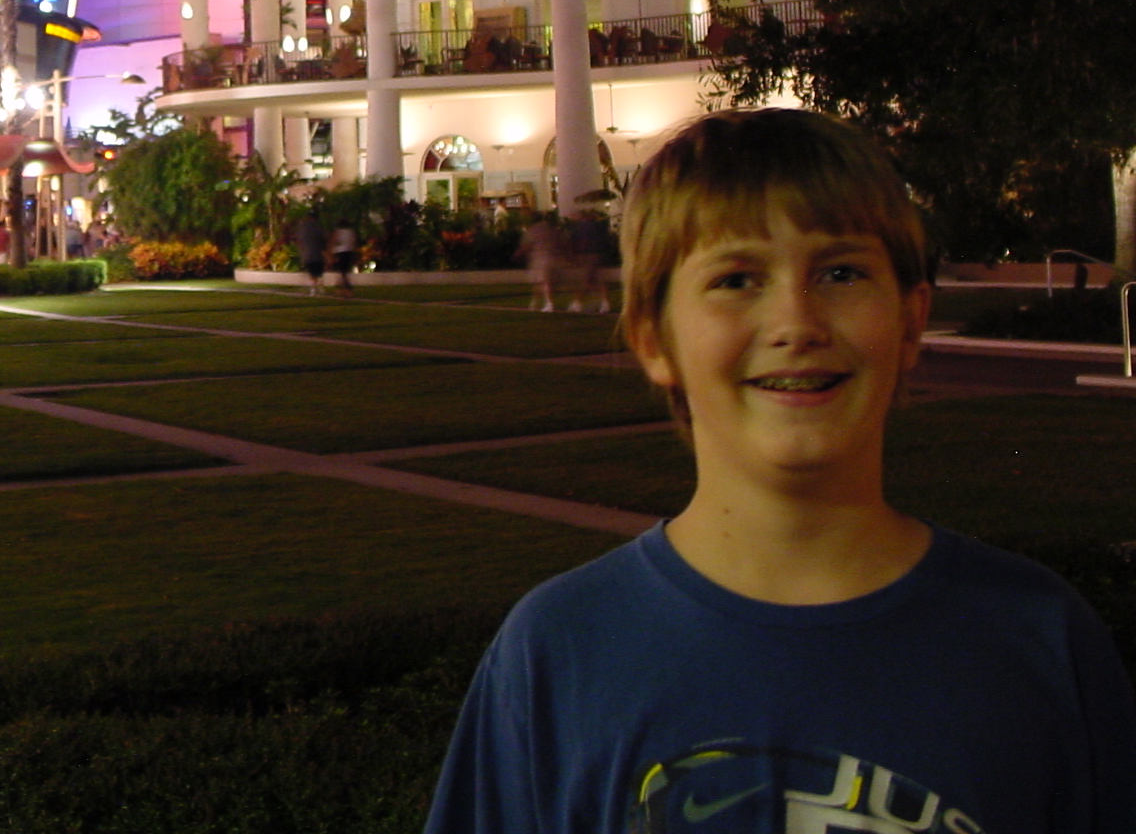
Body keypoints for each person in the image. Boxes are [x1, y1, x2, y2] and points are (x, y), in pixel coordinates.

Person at [424, 109, 1136, 833]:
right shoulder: (560, 652)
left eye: (841, 273)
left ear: (911, 320)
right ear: (653, 337)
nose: (796, 323)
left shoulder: (1036, 641)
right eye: (737, 279)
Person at [566, 204, 610, 312]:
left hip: (586, 255)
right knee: (597, 280)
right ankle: (603, 302)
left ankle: (578, 303)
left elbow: (575, 242)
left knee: (585, 279)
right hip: (597, 254)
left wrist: (573, 256)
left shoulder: (580, 228)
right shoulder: (598, 227)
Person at [514, 214, 562, 311]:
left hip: (539, 258)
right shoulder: (552, 229)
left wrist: (517, 255)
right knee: (543, 281)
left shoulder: (533, 231)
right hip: (553, 257)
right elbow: (561, 243)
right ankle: (535, 302)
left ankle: (548, 303)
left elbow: (526, 245)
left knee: (542, 281)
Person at [292, 209, 327, 292]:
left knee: (312, 271)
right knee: (318, 271)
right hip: (317, 254)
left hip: (307, 254)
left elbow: (298, 240)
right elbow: (324, 240)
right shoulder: (319, 227)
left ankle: (314, 287)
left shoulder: (303, 227)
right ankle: (318, 286)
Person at [326, 220, 358, 294]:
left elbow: (332, 241)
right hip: (349, 252)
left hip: (340, 252)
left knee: (342, 271)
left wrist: (329, 252)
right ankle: (342, 287)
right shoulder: (351, 232)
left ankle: (347, 288)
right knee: (344, 271)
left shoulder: (338, 232)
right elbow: (354, 242)